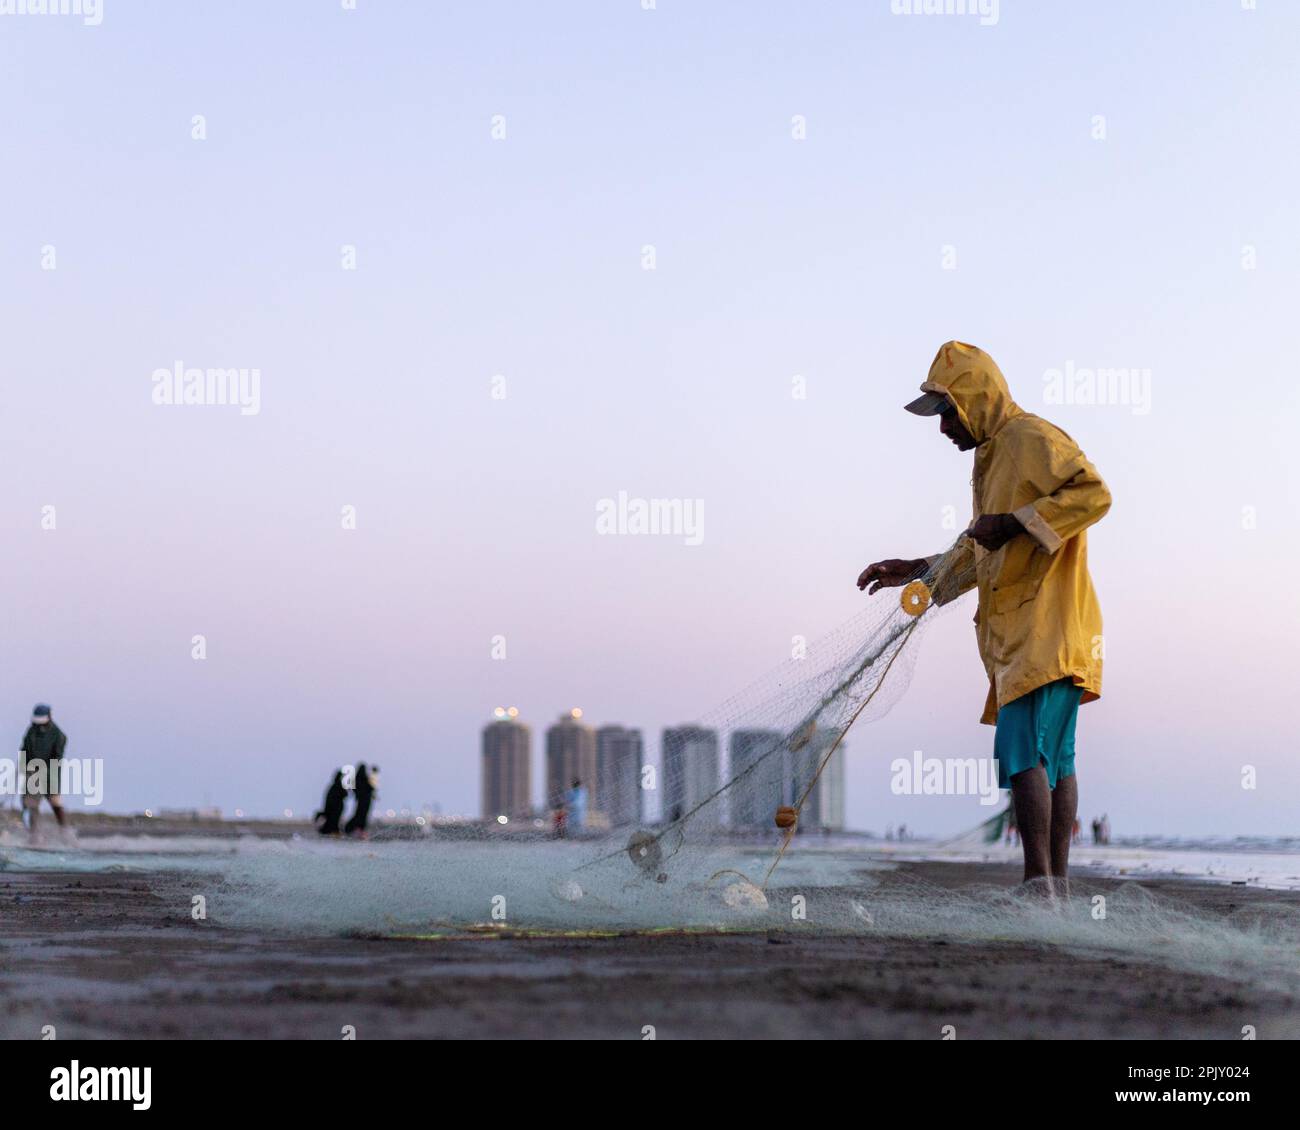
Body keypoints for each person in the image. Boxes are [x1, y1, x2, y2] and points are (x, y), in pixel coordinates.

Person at [858, 342, 1110, 896]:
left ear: (977, 400)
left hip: (1044, 628)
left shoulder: (1029, 438)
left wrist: (1014, 523)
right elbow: (981, 550)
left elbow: (1094, 495)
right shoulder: (992, 459)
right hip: (1041, 634)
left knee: (1024, 753)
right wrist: (916, 570)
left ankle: (1038, 885)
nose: (944, 427)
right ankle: (1055, 890)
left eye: (948, 411)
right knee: (1055, 760)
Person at [20, 704, 68, 838]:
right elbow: (24, 749)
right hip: (32, 772)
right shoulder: (31, 731)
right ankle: (34, 835)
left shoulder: (58, 735)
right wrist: (24, 766)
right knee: (30, 803)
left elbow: (57, 757)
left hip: (50, 773)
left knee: (55, 802)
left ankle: (65, 833)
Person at [345, 762, 375, 838]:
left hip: (360, 800)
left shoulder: (356, 779)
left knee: (359, 815)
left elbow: (352, 788)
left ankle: (355, 830)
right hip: (365, 801)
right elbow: (371, 788)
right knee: (362, 815)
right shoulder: (364, 778)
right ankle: (359, 831)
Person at [314, 770, 347, 835]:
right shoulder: (337, 786)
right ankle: (331, 830)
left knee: (332, 820)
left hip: (334, 807)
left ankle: (331, 830)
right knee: (333, 820)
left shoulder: (334, 786)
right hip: (334, 808)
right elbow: (344, 794)